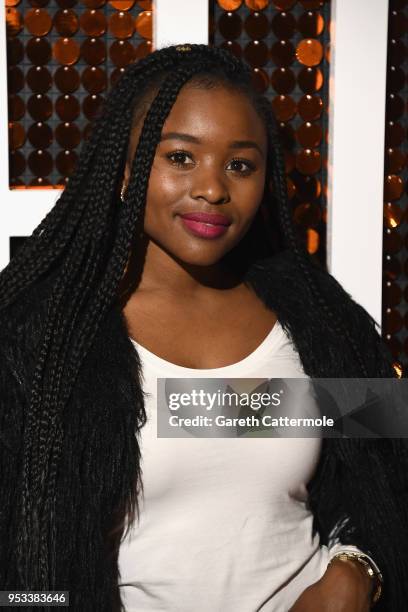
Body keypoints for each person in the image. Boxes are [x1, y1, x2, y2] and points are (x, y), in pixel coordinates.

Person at [0, 44, 407, 612]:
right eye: (180, 158)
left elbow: (389, 484)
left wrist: (356, 571)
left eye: (240, 165)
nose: (213, 189)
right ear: (125, 165)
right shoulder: (42, 339)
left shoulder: (312, 315)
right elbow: (17, 588)